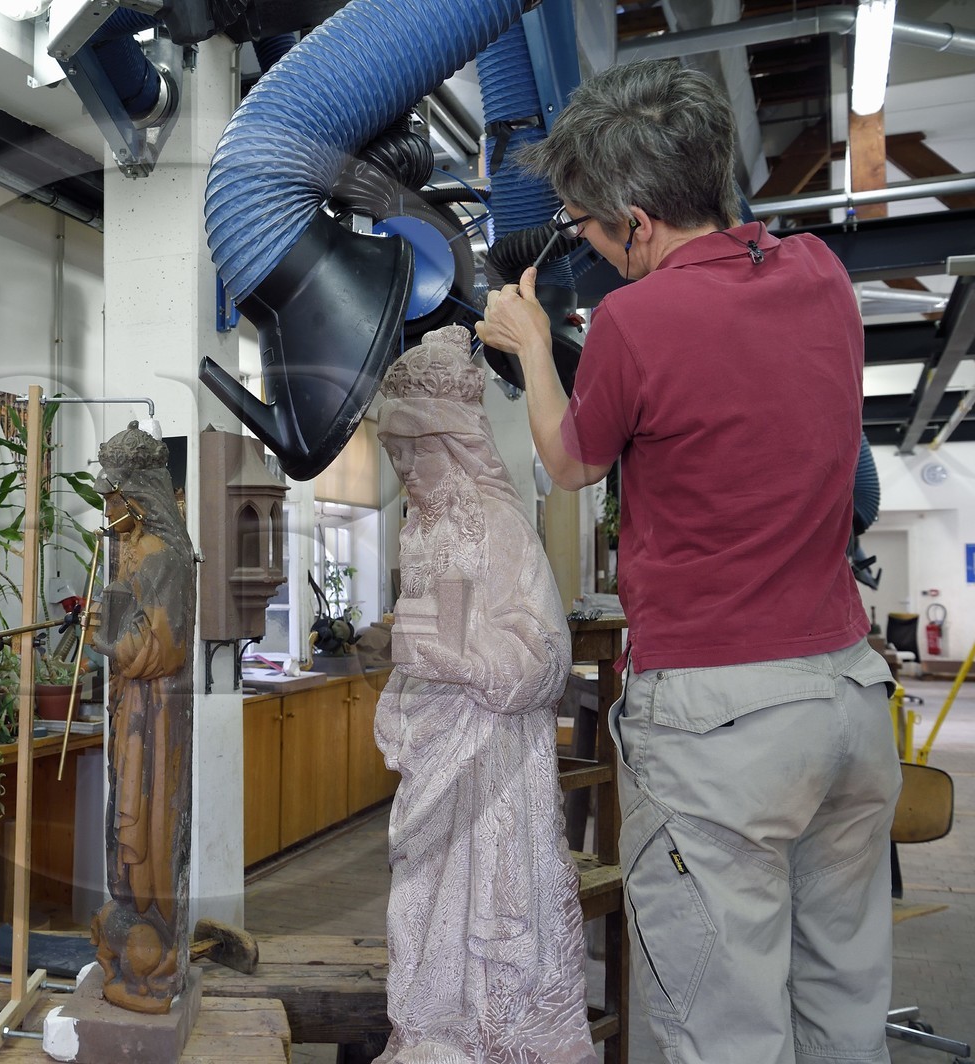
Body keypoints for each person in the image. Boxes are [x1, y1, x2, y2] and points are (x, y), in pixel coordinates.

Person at [476, 59, 901, 1064]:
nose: (581, 241)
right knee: (843, 1008)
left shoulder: (633, 319)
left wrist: (534, 346)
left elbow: (574, 462)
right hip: (844, 698)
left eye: (582, 222)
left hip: (723, 727)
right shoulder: (820, 276)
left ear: (636, 218)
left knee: (724, 1025)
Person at [374, 325, 596, 1063]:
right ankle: (431, 1029)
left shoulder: (498, 525)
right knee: (424, 901)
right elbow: (419, 644)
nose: (406, 469)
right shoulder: (417, 534)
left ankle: (484, 1032)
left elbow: (545, 661)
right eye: (395, 454)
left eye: (416, 452)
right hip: (436, 755)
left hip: (492, 765)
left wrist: (455, 657)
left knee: (482, 913)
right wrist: (407, 683)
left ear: (455, 444)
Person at [88, 421, 195, 1015]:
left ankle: (152, 918)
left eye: (113, 499)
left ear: (139, 499)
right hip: (133, 708)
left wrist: (108, 642)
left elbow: (162, 648)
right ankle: (133, 907)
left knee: (150, 806)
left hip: (156, 715)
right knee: (128, 796)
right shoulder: (131, 550)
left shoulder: (161, 555)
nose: (108, 510)